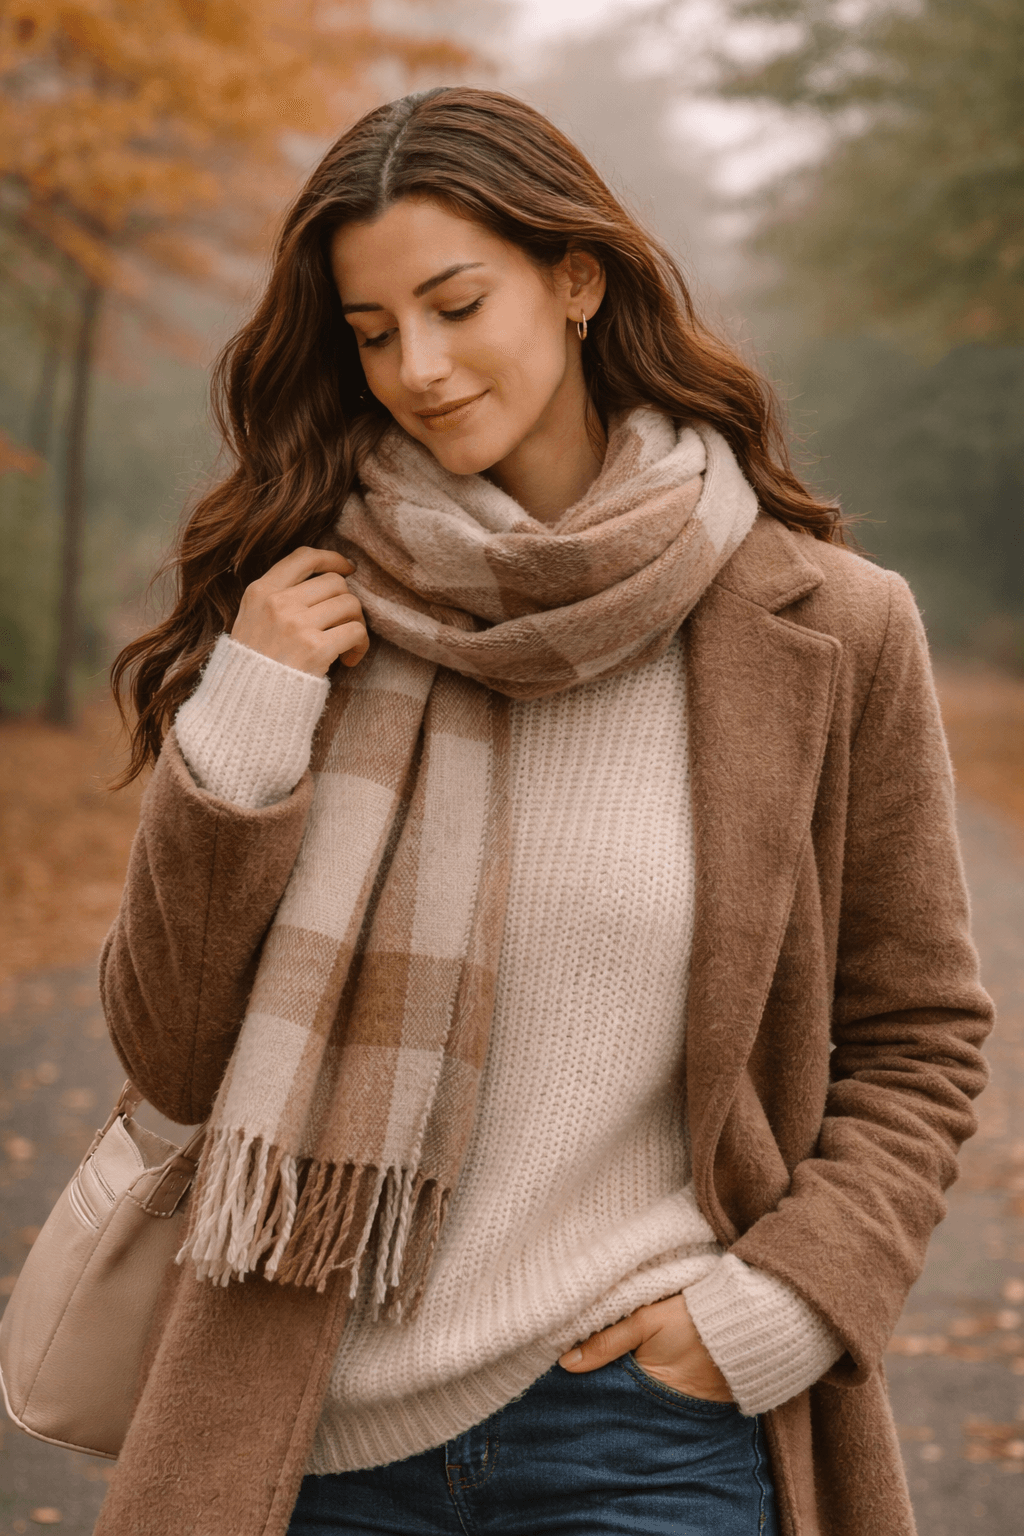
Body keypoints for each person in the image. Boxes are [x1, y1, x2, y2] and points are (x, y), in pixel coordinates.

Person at [99, 87, 992, 1536]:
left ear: (578, 280)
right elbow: (171, 1048)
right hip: (306, 1437)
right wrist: (248, 717)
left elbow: (920, 1037)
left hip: (647, 1437)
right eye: (372, 331)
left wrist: (776, 1309)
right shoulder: (303, 617)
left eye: (456, 304)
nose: (419, 369)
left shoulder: (825, 625)